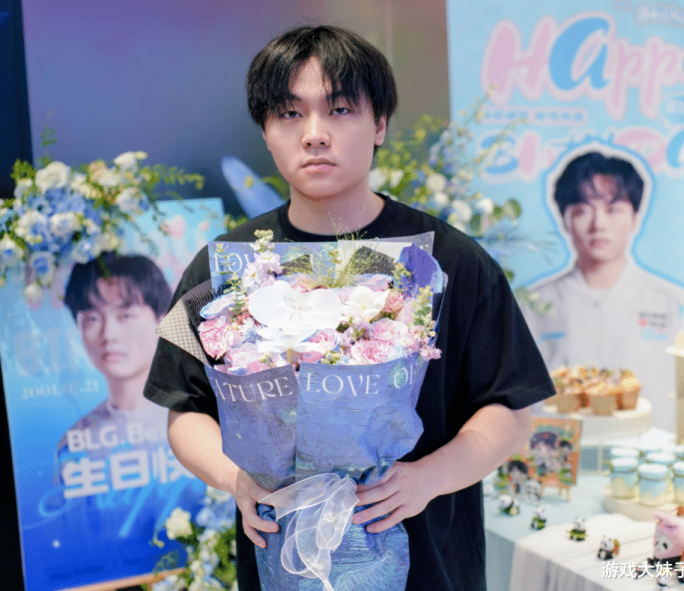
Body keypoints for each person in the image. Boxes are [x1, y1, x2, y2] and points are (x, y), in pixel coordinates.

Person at [144, 25, 554, 591]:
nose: (315, 134)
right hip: (279, 557)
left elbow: (509, 409)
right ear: (265, 131)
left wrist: (427, 479)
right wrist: (234, 476)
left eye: (339, 110)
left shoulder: (450, 260)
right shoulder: (224, 269)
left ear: (380, 124)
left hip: (428, 561)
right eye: (290, 114)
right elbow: (184, 409)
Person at [521, 150, 684, 432]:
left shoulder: (678, 305)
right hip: (559, 454)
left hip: (649, 451)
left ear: (635, 218)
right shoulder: (530, 306)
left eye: (613, 209)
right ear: (564, 220)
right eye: (582, 210)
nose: (598, 224)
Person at [55, 252, 175, 488]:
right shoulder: (74, 443)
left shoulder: (200, 416)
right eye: (92, 319)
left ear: (162, 321)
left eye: (125, 315)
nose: (109, 335)